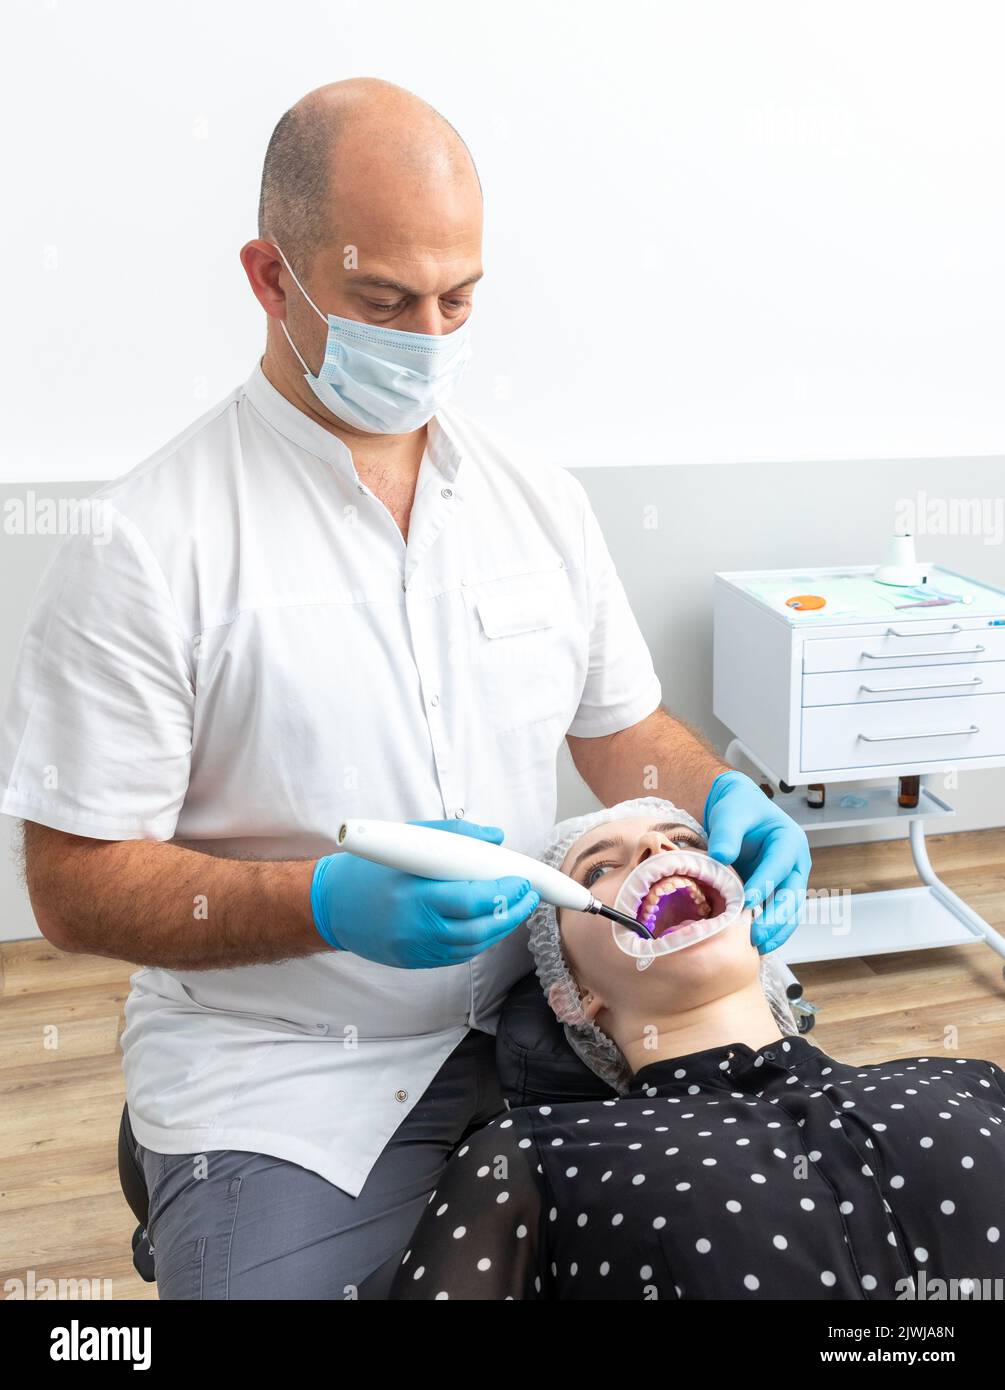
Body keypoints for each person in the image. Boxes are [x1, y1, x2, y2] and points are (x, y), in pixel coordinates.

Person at [0, 80, 809, 1299]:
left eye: (460, 297)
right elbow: (73, 884)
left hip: (542, 1016)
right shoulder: (144, 545)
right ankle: (185, 1189)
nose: (430, 335)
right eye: (384, 299)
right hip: (280, 1074)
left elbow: (622, 730)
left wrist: (726, 796)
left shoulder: (537, 501)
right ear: (272, 277)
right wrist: (323, 904)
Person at [390, 797, 1005, 1300]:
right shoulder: (528, 1155)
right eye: (598, 870)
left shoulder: (968, 1080)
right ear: (574, 995)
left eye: (685, 842)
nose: (658, 852)